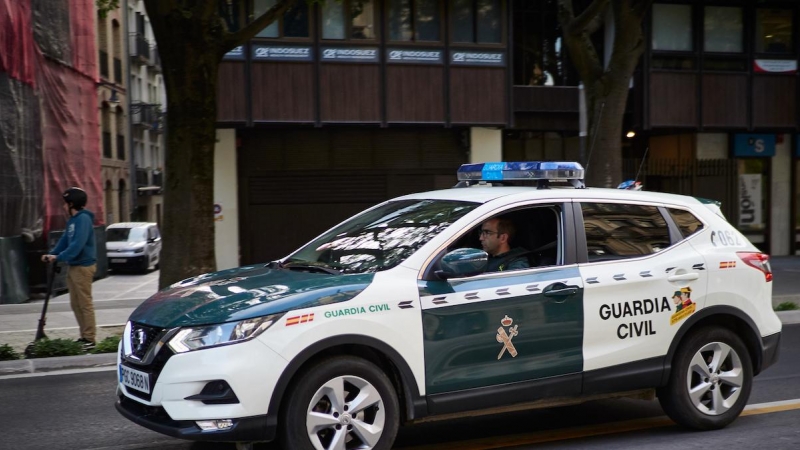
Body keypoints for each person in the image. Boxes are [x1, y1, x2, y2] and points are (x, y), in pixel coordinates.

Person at [41, 187, 97, 350]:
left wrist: (59, 257)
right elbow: (65, 241)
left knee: (84, 303)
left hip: (84, 266)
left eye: (65, 204)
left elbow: (77, 245)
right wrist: (51, 254)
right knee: (75, 303)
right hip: (74, 266)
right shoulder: (72, 221)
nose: (63, 207)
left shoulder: (83, 219)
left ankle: (90, 339)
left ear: (72, 204)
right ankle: (84, 336)